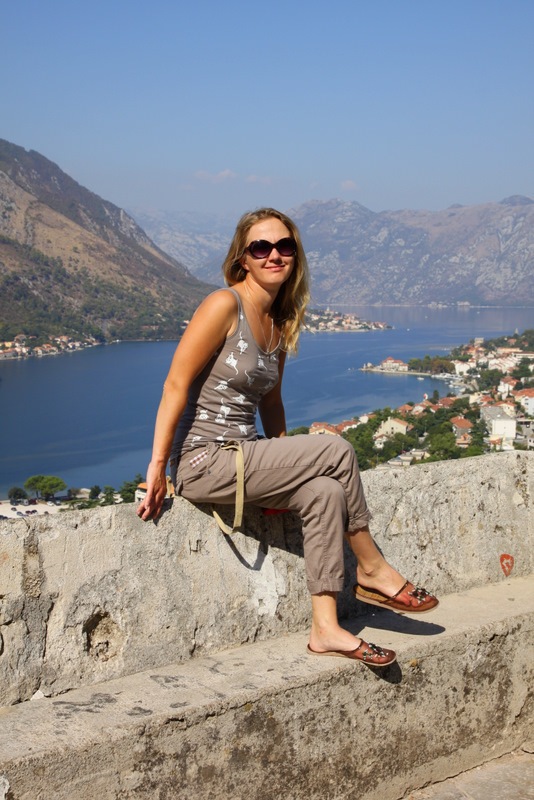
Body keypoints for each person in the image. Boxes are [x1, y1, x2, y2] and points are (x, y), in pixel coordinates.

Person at [137, 207, 438, 667]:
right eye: (261, 247)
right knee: (336, 448)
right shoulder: (223, 305)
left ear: (295, 256)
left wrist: (289, 468)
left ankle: (325, 628)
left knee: (324, 491)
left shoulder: (279, 323)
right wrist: (158, 467)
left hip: (247, 454)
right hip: (204, 459)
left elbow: (271, 403)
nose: (274, 254)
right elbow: (175, 384)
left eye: (285, 246)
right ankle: (372, 568)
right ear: (243, 258)